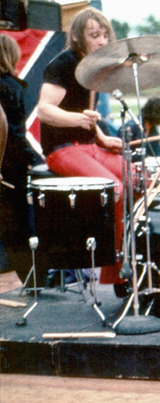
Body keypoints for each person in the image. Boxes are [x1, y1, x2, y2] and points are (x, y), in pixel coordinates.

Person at [35, 8, 128, 293]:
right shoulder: (63, 65)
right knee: (114, 188)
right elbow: (44, 110)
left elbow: (85, 116)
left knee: (139, 179)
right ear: (77, 36)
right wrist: (79, 121)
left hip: (88, 146)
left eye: (105, 35)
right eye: (94, 35)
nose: (102, 41)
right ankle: (114, 273)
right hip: (62, 150)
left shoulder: (93, 67)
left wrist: (102, 137)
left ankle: (123, 266)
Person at [0, 34, 46, 282]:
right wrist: (36, 161)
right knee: (18, 223)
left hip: (6, 161)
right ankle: (32, 278)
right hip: (10, 165)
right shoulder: (12, 88)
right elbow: (15, 134)